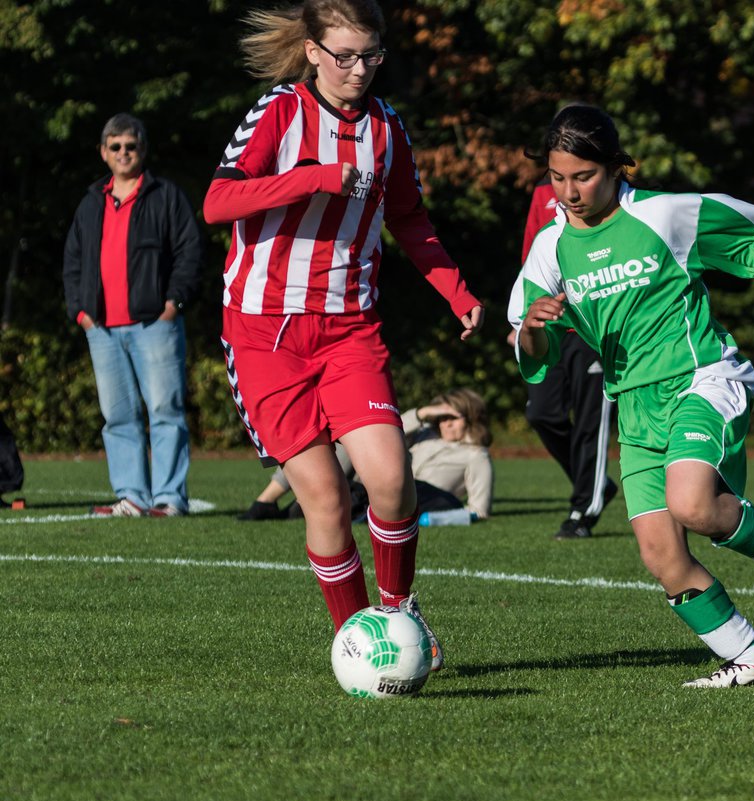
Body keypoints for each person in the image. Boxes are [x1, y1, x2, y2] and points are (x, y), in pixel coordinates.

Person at [509, 105, 754, 687]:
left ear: (614, 166)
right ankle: (751, 661)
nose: (570, 191)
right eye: (558, 177)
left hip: (703, 378)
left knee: (694, 506)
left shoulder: (666, 215)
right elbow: (531, 358)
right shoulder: (550, 250)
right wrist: (532, 328)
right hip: (633, 407)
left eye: (584, 176)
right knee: (662, 557)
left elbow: (751, 248)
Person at [203, 0, 483, 663]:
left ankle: (399, 612)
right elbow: (218, 201)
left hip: (349, 330)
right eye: (346, 56)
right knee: (325, 498)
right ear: (313, 53)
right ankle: (356, 640)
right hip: (265, 334)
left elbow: (410, 219)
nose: (360, 70)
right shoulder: (279, 112)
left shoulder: (388, 127)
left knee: (390, 478)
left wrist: (457, 291)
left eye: (372, 56)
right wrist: (317, 179)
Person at [62, 113, 202, 518]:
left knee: (165, 410)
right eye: (116, 146)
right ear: (103, 153)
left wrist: (172, 304)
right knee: (117, 416)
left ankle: (170, 499)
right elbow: (72, 260)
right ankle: (132, 497)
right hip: (102, 328)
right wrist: (81, 313)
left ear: (143, 149)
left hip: (153, 325)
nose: (124, 152)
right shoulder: (91, 202)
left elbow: (189, 253)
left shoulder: (166, 196)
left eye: (131, 145)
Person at [519, 174, 617, 540]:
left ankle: (583, 510)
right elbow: (531, 255)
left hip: (595, 325)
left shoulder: (608, 193)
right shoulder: (542, 193)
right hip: (553, 326)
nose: (569, 186)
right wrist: (523, 318)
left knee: (591, 419)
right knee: (541, 412)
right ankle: (596, 485)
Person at [240, 388, 494, 521]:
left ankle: (297, 504)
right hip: (373, 486)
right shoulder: (426, 434)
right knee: (347, 441)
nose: (446, 424)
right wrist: (421, 414)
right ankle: (267, 500)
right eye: (442, 418)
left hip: (411, 497)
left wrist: (434, 519)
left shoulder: (476, 456)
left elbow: (479, 509)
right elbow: (389, 431)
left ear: (472, 420)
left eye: (453, 418)